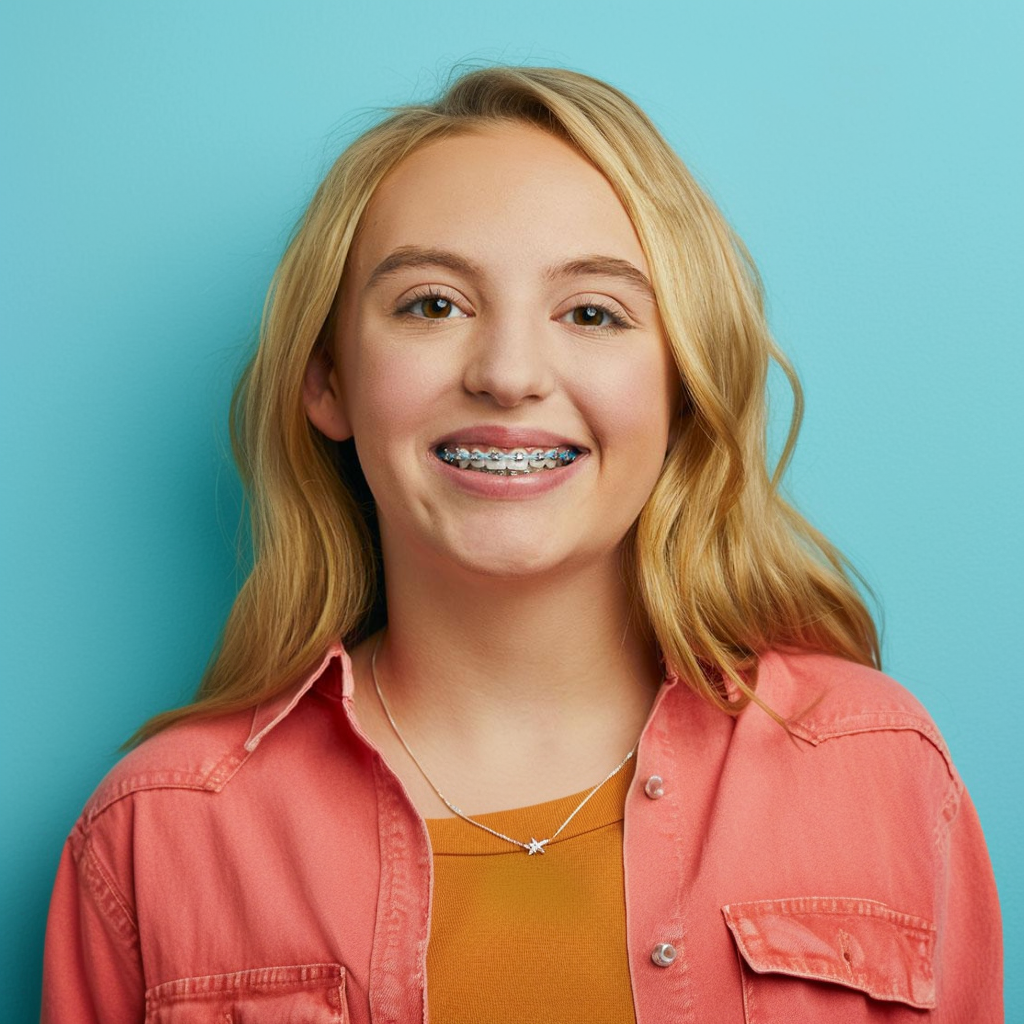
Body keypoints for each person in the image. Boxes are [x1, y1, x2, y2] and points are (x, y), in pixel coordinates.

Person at [40, 64, 1002, 1024]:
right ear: (327, 379)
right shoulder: (154, 835)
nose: (507, 375)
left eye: (593, 312)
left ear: (681, 382)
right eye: (432, 304)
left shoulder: (879, 770)